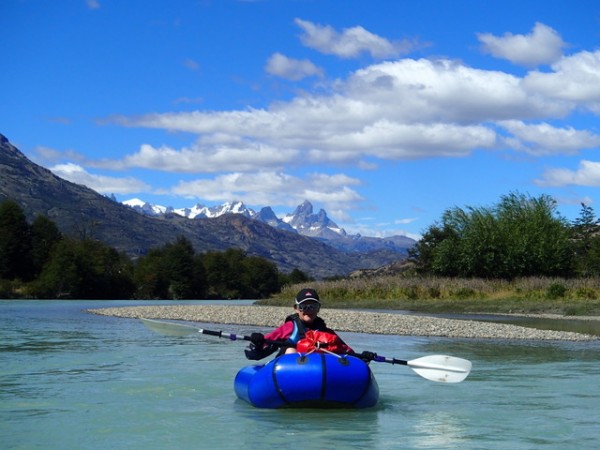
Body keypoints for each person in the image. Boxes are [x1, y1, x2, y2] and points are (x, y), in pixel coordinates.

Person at [244, 288, 375, 362]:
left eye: (313, 307)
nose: (308, 311)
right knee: (290, 350)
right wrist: (258, 341)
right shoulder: (290, 327)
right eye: (304, 307)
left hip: (317, 371)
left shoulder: (327, 333)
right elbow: (264, 345)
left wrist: (363, 357)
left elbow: (347, 352)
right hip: (289, 372)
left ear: (318, 308)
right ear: (296, 308)